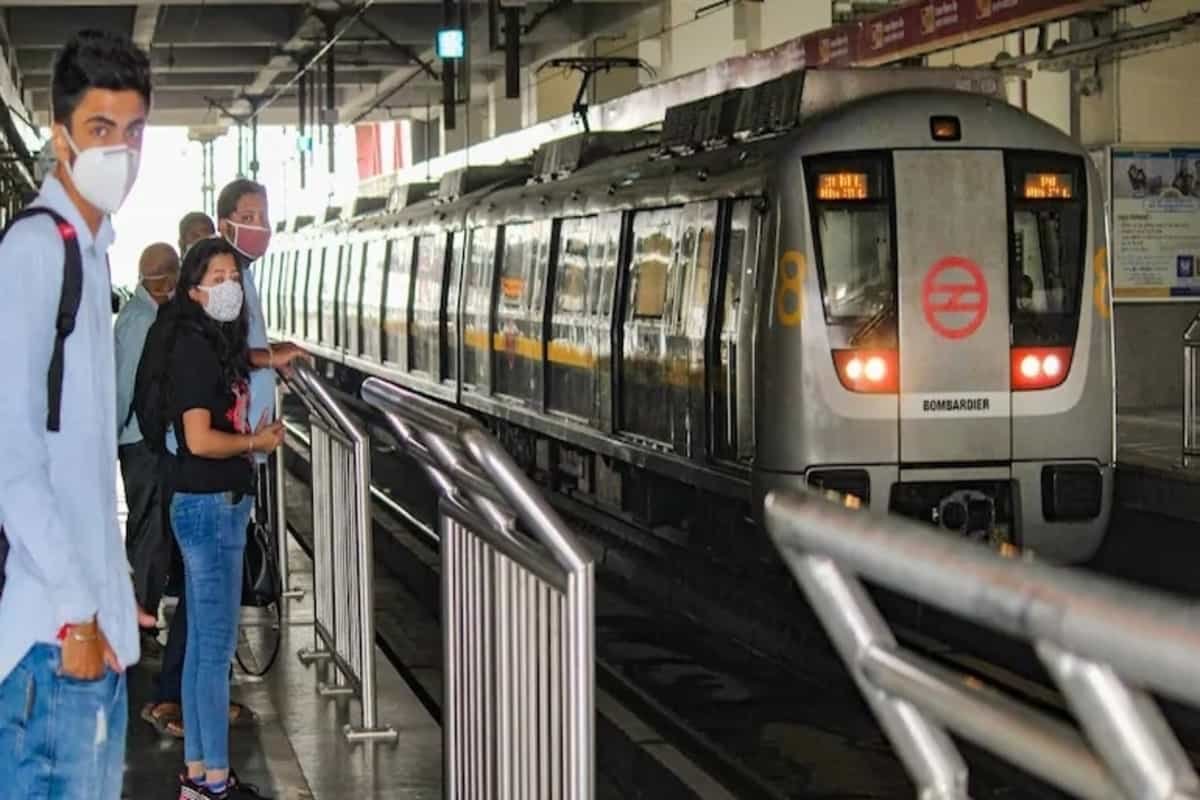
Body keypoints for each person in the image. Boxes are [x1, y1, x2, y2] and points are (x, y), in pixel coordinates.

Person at [0, 29, 151, 798]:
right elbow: (12, 458)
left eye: (133, 130)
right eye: (100, 128)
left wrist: (113, 597)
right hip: (52, 640)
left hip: (88, 630)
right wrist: (80, 612)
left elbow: (82, 470)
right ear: (61, 136)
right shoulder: (37, 252)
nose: (119, 150)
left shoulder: (91, 255)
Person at [158, 237, 281, 800]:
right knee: (213, 652)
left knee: (203, 651)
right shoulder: (192, 349)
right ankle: (212, 785)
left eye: (235, 276)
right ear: (194, 289)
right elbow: (200, 439)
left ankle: (200, 775)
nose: (231, 286)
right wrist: (257, 442)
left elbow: (227, 371)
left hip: (214, 505)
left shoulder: (208, 340)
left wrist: (270, 356)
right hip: (208, 507)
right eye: (218, 278)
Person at [115, 242, 179, 651]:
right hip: (140, 439)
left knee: (148, 529)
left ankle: (139, 613)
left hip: (139, 437)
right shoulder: (141, 321)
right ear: (167, 278)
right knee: (149, 531)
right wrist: (115, 434)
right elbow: (124, 386)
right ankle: (138, 620)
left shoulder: (143, 314)